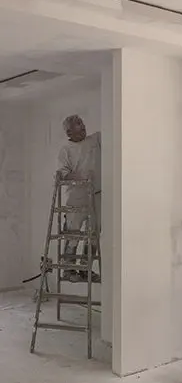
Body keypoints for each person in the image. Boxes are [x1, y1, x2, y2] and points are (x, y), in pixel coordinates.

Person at [57, 115, 101, 283]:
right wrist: (81, 176)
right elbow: (62, 174)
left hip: (96, 194)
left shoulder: (95, 140)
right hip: (76, 196)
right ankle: (68, 269)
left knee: (94, 234)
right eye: (78, 126)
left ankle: (85, 269)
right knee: (73, 234)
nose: (83, 127)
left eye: (83, 124)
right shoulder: (66, 149)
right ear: (69, 132)